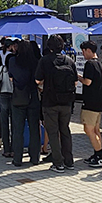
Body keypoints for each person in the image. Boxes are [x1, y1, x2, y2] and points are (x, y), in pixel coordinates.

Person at [35, 35, 77, 173]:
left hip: (50, 101)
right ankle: (69, 161)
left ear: (49, 46)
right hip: (67, 102)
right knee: (65, 131)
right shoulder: (69, 61)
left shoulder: (45, 61)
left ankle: (58, 163)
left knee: (53, 133)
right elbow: (75, 81)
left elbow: (37, 80)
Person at [9, 40, 40, 167]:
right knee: (34, 128)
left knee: (18, 129)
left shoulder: (12, 61)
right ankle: (35, 158)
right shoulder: (36, 62)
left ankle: (17, 158)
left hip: (18, 97)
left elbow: (11, 78)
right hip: (33, 96)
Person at [78, 41, 102, 168]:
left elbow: (87, 82)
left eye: (84, 51)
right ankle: (97, 153)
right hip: (99, 102)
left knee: (89, 129)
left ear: (89, 50)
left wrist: (78, 77)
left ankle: (100, 155)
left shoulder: (90, 64)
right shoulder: (99, 63)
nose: (83, 54)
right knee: (96, 130)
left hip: (90, 102)